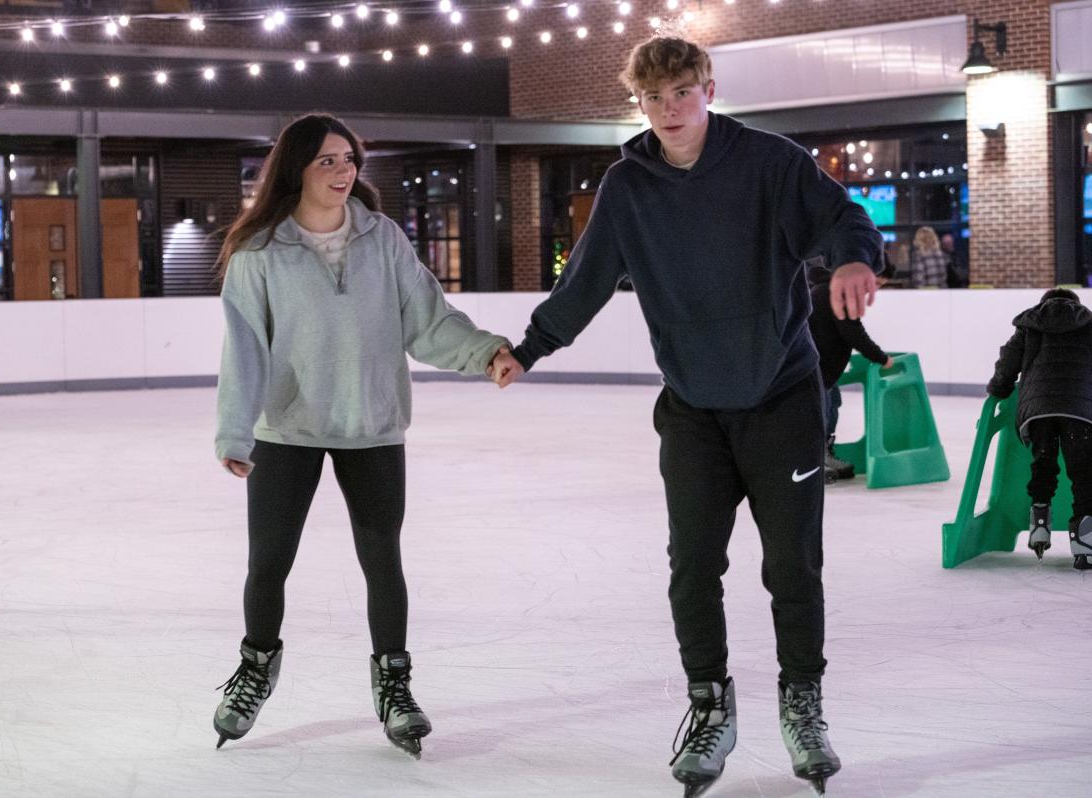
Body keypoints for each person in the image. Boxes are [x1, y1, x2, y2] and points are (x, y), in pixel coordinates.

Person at [487, 36, 882, 797]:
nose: (668, 109)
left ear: (708, 90)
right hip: (694, 407)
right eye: (653, 97)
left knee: (791, 565)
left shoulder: (768, 162)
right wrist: (532, 347)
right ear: (638, 101)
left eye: (682, 93)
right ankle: (709, 705)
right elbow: (587, 279)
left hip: (782, 398)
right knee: (693, 567)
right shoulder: (627, 186)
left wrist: (855, 257)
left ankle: (803, 702)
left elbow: (843, 218)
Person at [213, 114, 510, 755]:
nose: (343, 171)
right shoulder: (259, 251)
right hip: (286, 429)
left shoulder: (383, 239)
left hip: (371, 423)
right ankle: (256, 669)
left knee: (383, 561)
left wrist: (484, 351)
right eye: (327, 160)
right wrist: (235, 431)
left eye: (348, 159)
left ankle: (394, 686)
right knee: (269, 561)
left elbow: (428, 319)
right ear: (296, 168)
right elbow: (244, 349)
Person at [986, 287, 1092, 569]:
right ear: (1076, 304)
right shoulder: (1088, 323)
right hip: (1079, 410)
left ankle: (1040, 523)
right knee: (1083, 473)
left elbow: (1008, 361)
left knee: (1043, 464)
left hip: (1038, 410)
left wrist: (998, 389)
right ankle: (1085, 543)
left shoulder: (1030, 325)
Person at [805, 259, 894, 482]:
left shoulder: (828, 288)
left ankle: (823, 454)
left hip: (821, 370)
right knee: (820, 413)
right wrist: (882, 358)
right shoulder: (837, 293)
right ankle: (814, 462)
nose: (872, 290)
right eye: (876, 283)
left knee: (832, 405)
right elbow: (853, 333)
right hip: (813, 370)